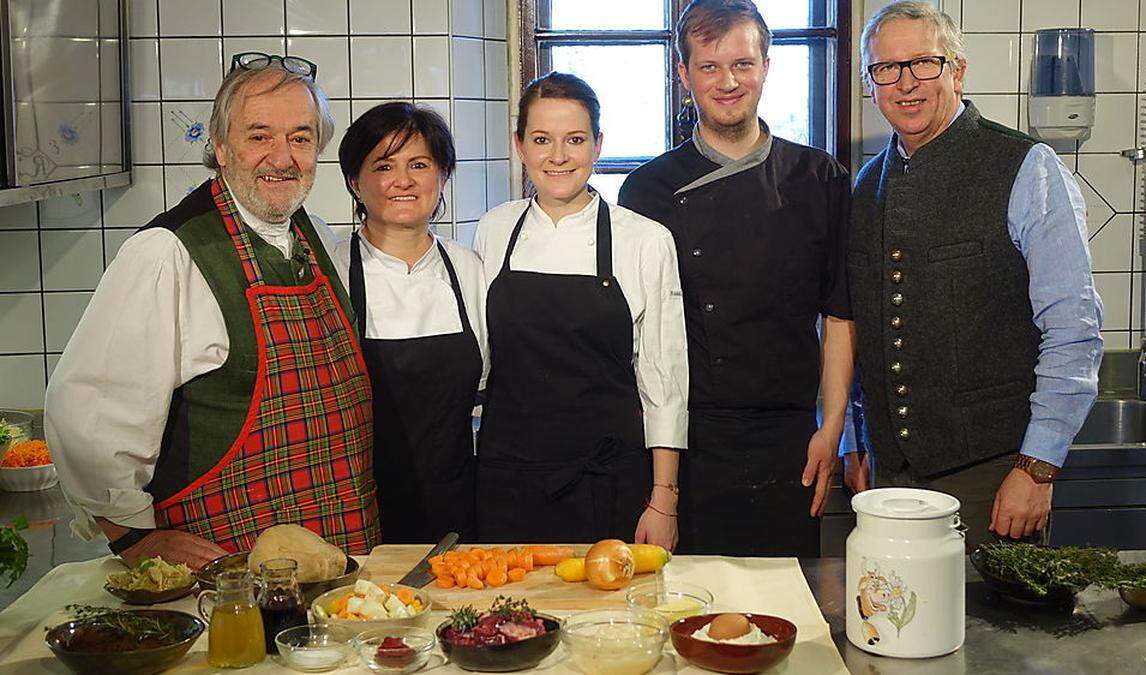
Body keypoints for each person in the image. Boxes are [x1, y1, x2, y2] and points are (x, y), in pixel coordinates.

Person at [45, 53, 380, 568]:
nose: (282, 157)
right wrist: (131, 538)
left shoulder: (319, 240)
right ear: (221, 148)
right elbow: (88, 419)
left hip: (343, 553)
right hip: (227, 576)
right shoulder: (167, 253)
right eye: (259, 135)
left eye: (300, 137)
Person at [847, 1, 1103, 550]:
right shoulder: (867, 184)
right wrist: (856, 441)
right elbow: (864, 327)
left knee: (999, 635)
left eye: (923, 63)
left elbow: (1074, 328)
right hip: (891, 477)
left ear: (957, 69)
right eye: (886, 69)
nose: (905, 84)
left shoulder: (1027, 167)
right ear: (871, 84)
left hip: (993, 476)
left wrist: (1037, 467)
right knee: (895, 627)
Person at [619, 0, 853, 558]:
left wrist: (832, 429)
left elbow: (841, 313)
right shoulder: (646, 190)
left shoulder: (818, 177)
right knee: (688, 616)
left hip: (790, 440)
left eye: (743, 64)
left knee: (785, 613)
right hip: (687, 441)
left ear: (767, 67)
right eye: (709, 66)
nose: (728, 82)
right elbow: (640, 342)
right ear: (684, 76)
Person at [474, 72, 688, 549]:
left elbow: (664, 382)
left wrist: (663, 500)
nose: (557, 156)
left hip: (609, 483)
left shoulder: (644, 240)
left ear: (598, 145)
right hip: (508, 479)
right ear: (520, 145)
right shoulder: (494, 230)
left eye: (575, 140)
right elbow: (483, 360)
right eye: (541, 140)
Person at [334, 103, 486, 544]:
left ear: (442, 178)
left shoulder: (468, 268)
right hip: (359, 508)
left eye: (419, 165)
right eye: (384, 166)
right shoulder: (332, 271)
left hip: (457, 506)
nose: (403, 181)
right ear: (354, 182)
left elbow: (489, 384)